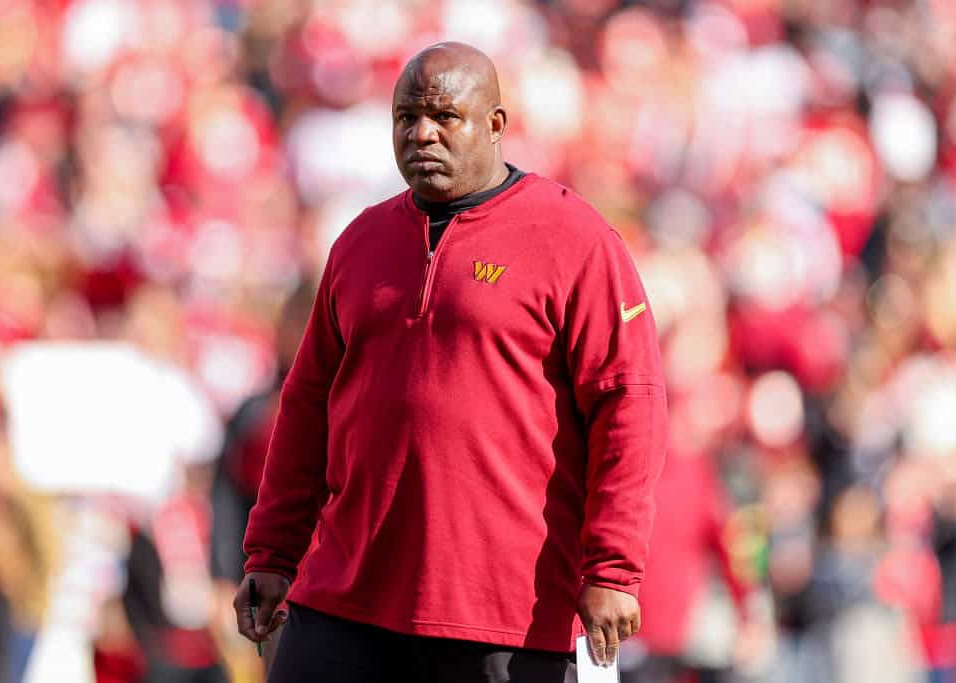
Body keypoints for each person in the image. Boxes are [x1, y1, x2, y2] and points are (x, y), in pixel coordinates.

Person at [233, 41, 668, 683]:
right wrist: (272, 551)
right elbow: (306, 408)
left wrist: (612, 570)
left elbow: (630, 406)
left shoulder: (575, 240)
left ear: (495, 124)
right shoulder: (360, 242)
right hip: (344, 595)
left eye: (443, 117)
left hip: (504, 614)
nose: (421, 134)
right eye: (405, 118)